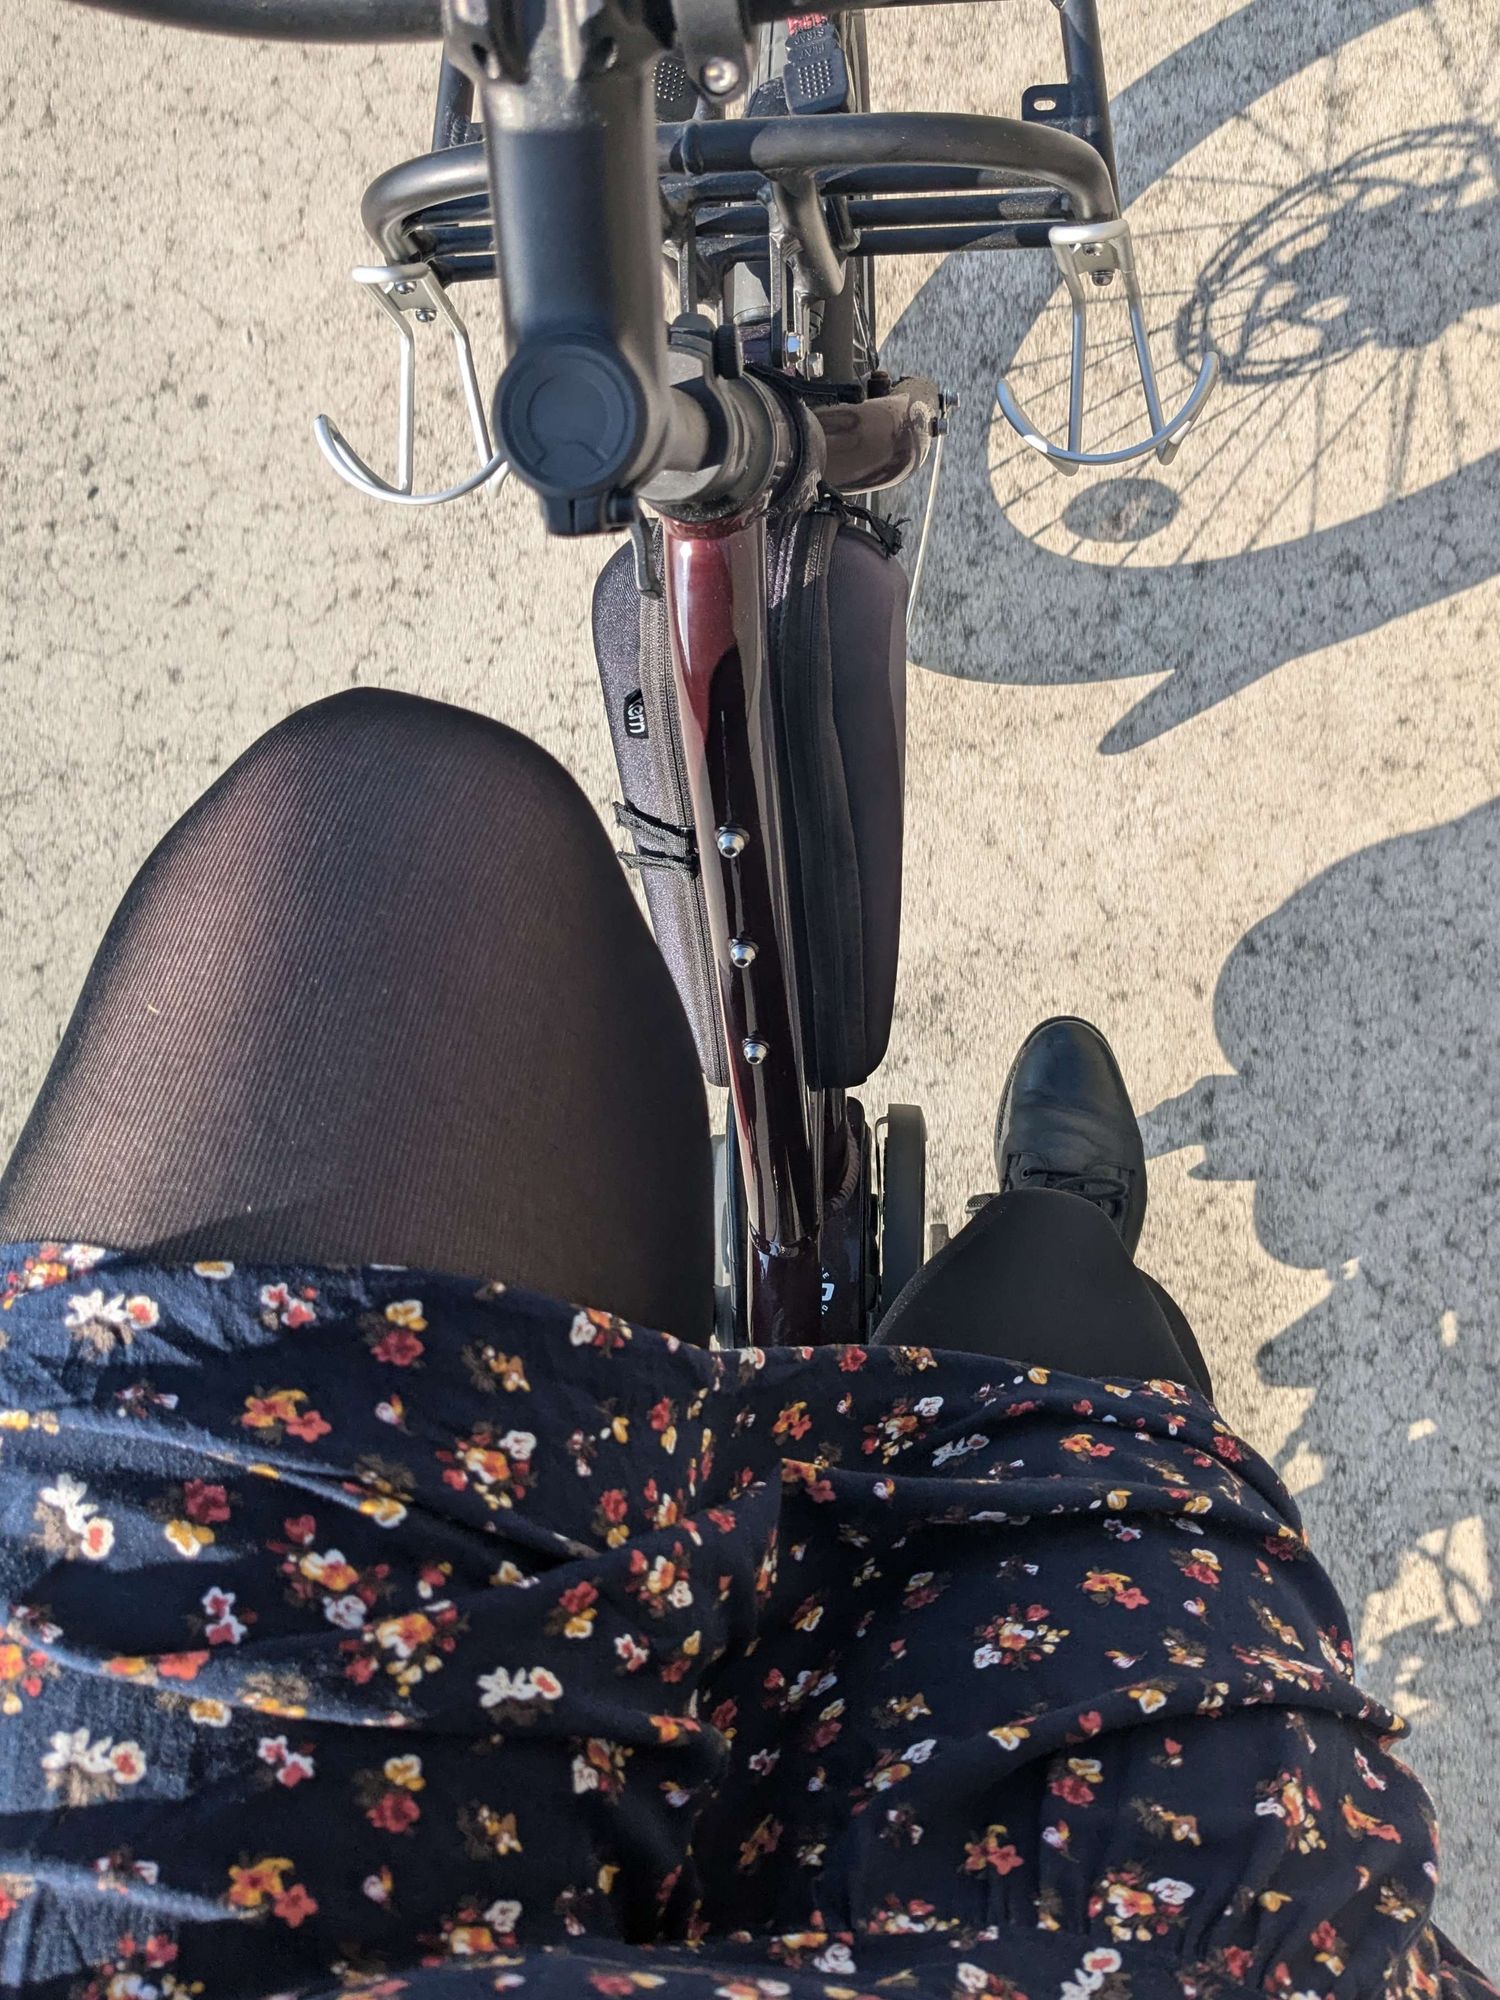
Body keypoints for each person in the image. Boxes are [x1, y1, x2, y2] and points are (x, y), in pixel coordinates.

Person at [0, 687, 1490, 2000]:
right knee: (1055, 1339)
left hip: (194, 1911)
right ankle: (1050, 1236)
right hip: (1051, 1944)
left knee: (386, 825)